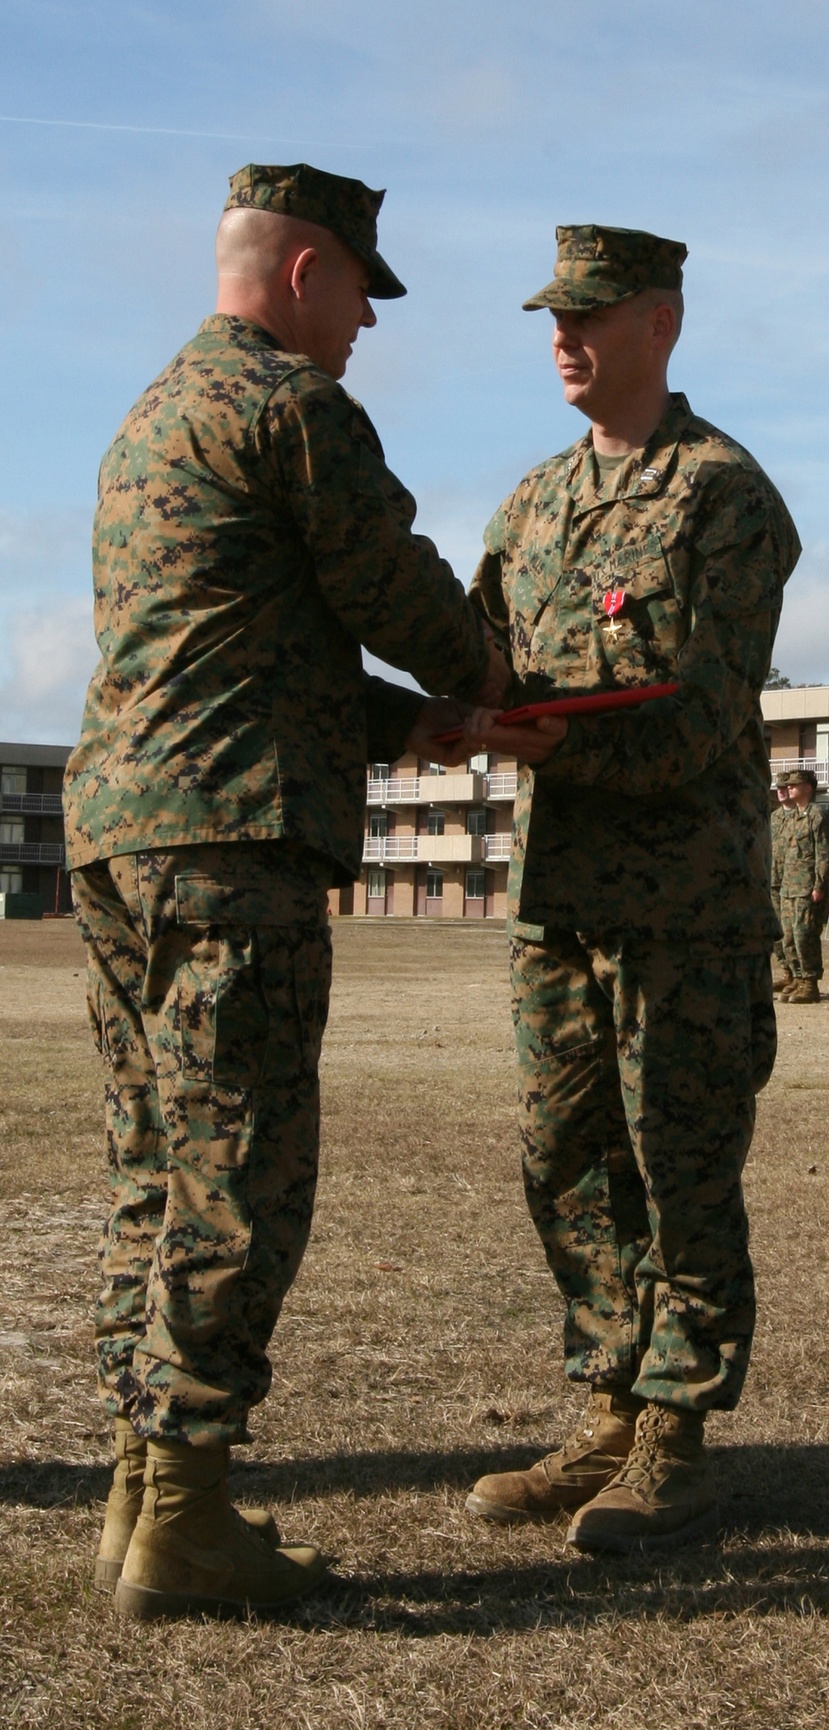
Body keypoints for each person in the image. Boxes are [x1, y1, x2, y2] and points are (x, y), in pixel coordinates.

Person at [62, 161, 508, 1619]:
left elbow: (245, 637)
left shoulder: (149, 418)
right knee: (240, 1174)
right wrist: (495, 681)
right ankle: (187, 1516)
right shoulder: (290, 405)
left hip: (126, 834)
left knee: (155, 1168)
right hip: (230, 841)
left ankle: (139, 1492)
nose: (368, 329)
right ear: (306, 272)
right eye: (363, 298)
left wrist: (399, 726)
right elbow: (388, 585)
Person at [458, 223, 800, 1553]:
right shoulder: (532, 503)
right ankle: (603, 1399)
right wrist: (460, 708)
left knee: (682, 1156)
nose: (565, 336)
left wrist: (564, 737)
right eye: (555, 314)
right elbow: (486, 650)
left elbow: (712, 709)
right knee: (568, 1155)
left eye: (592, 314)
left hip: (685, 896)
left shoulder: (726, 495)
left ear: (660, 322)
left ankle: (676, 1431)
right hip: (558, 890)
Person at [778, 769, 829, 1003]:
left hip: (806, 887)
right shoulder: (791, 818)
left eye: (794, 784)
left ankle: (810, 983)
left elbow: (824, 853)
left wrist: (820, 885)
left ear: (808, 788)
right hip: (788, 887)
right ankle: (798, 978)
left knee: (805, 935)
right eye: (787, 785)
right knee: (788, 937)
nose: (789, 787)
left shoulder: (817, 815)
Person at [770, 773, 793, 993]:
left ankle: (798, 973)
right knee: (777, 930)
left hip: (793, 882)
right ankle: (786, 971)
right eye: (779, 788)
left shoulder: (801, 816)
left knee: (793, 930)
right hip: (773, 879)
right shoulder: (774, 817)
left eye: (786, 788)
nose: (782, 791)